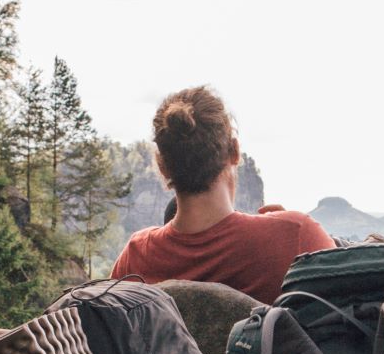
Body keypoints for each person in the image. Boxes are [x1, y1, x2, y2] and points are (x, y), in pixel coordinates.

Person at [111, 86, 333, 302]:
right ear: (235, 151)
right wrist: (282, 229)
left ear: (162, 167)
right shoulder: (295, 235)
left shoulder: (135, 258)